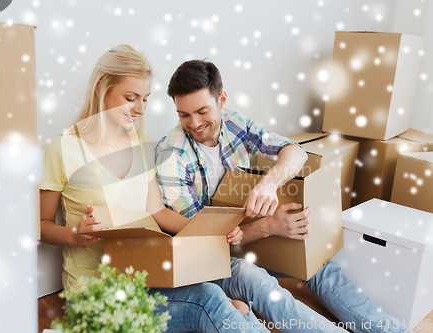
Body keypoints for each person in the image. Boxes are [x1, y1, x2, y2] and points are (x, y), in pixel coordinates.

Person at [154, 59, 412, 333]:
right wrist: (268, 227)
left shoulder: (233, 123)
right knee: (261, 284)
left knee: (320, 266)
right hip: (209, 257)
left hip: (244, 234)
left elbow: (295, 151)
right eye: (183, 115)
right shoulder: (172, 155)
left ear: (221, 99)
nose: (194, 123)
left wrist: (268, 184)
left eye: (202, 111)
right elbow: (202, 240)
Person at [39, 44, 274, 333]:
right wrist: (75, 235)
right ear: (101, 88)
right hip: (95, 288)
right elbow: (40, 226)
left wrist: (211, 232)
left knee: (232, 305)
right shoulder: (60, 150)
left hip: (143, 275)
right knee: (212, 303)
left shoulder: (141, 143)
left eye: (145, 99)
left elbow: (157, 211)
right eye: (130, 98)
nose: (140, 108)